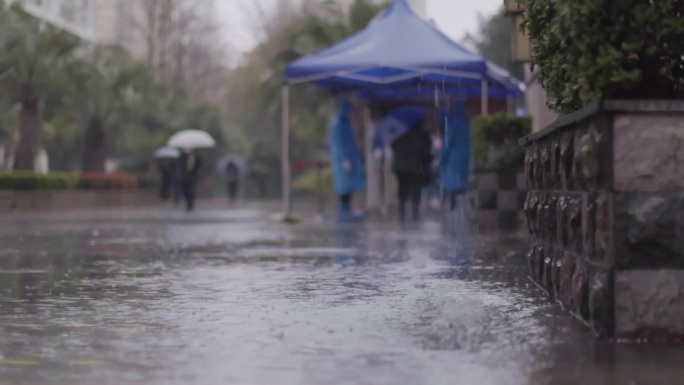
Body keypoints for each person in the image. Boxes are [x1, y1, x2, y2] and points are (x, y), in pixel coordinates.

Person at [328, 99, 365, 222]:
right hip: (343, 159)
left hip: (349, 158)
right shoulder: (337, 125)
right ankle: (343, 213)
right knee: (344, 188)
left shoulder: (346, 123)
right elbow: (339, 143)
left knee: (348, 187)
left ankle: (347, 211)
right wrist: (344, 158)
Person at [391, 115, 433, 222]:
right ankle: (415, 214)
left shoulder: (399, 132)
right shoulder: (422, 135)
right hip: (416, 168)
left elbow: (393, 146)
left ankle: (402, 213)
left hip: (401, 168)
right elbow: (426, 151)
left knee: (402, 191)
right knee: (415, 192)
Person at [437, 101, 471, 211]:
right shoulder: (466, 125)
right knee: (461, 181)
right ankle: (461, 206)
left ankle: (451, 205)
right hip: (465, 157)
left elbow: (446, 144)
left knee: (451, 182)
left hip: (453, 158)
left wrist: (440, 156)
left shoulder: (452, 125)